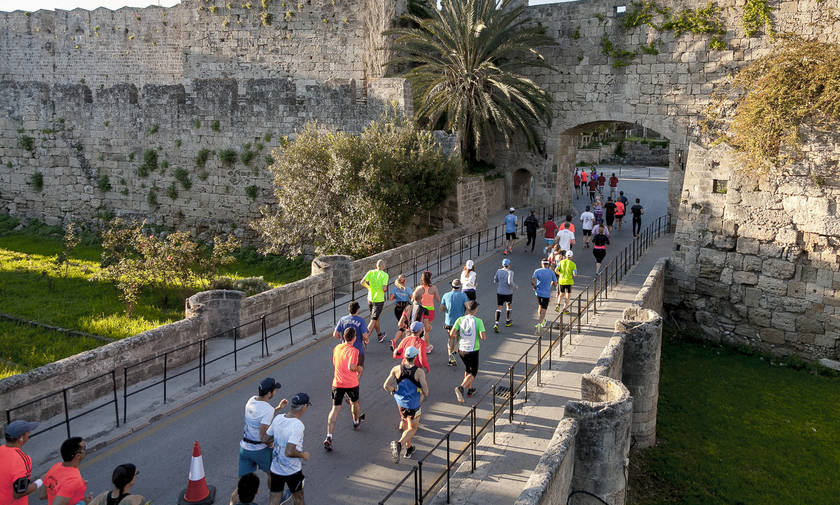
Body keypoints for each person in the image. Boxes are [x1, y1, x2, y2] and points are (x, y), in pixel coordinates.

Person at [236, 378, 288, 500]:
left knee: (242, 485)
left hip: (244, 448)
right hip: (259, 450)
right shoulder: (267, 410)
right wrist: (275, 442)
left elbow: (259, 418)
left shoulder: (251, 400)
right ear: (269, 393)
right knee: (273, 474)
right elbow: (263, 438)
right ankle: (277, 499)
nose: (276, 392)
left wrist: (278, 408)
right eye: (275, 390)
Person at [384, 346, 429, 463]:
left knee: (405, 423)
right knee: (413, 428)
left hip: (400, 403)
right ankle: (398, 445)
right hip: (413, 404)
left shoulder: (396, 369)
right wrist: (422, 397)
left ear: (405, 356)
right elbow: (426, 391)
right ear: (415, 358)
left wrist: (394, 391)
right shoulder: (419, 372)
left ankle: (408, 448)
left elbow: (386, 385)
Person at [265, 393, 311, 505]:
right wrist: (303, 455)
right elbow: (289, 452)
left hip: (276, 468)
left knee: (274, 500)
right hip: (292, 471)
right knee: (299, 499)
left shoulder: (278, 418)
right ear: (304, 406)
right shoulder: (297, 425)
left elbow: (266, 439)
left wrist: (277, 444)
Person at [323, 328, 362, 451]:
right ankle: (356, 421)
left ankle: (329, 436)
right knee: (354, 403)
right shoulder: (354, 351)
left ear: (344, 337)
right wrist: (358, 369)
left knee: (334, 409)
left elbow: (335, 363)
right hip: (351, 383)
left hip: (337, 383)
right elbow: (351, 367)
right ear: (354, 338)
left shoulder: (337, 348)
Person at [449, 301, 486, 403]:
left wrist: (462, 336)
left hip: (461, 350)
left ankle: (470, 389)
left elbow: (452, 334)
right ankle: (461, 388)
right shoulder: (478, 321)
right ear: (475, 310)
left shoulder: (460, 319)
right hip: (472, 350)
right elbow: (483, 337)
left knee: (468, 369)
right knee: (473, 372)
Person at [0, 420, 43, 505]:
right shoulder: (22, 460)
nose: (29, 434)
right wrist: (41, 481)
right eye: (27, 433)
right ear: (21, 438)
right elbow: (19, 493)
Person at [42, 437, 91, 505]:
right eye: (84, 448)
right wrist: (83, 503)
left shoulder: (56, 466)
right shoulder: (74, 480)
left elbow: (42, 495)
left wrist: (75, 491)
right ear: (78, 456)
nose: (86, 450)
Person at [333, 301, 369, 379]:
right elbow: (365, 335)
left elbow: (335, 334)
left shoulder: (342, 319)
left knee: (346, 369)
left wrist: (341, 338)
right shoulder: (361, 321)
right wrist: (366, 340)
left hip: (345, 350)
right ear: (358, 310)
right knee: (359, 370)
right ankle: (354, 384)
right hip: (358, 350)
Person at [439, 279, 468, 367]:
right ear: (460, 287)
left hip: (449, 322)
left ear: (451, 286)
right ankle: (454, 352)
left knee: (451, 338)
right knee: (460, 339)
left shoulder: (445, 295)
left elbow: (441, 308)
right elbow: (467, 306)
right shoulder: (463, 295)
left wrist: (448, 310)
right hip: (460, 321)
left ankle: (450, 357)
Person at [411, 270, 440, 352]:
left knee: (420, 328)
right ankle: (426, 347)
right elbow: (438, 299)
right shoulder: (434, 288)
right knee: (426, 330)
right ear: (430, 278)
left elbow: (412, 298)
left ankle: (418, 344)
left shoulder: (418, 288)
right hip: (430, 310)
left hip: (420, 310)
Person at [361, 259, 389, 343]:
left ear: (376, 266)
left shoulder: (370, 272)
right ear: (383, 267)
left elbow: (362, 282)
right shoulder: (385, 275)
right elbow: (384, 288)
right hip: (379, 300)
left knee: (376, 318)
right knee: (373, 319)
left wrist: (369, 288)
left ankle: (380, 335)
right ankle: (364, 340)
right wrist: (385, 289)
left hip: (370, 298)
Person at [531, 259, 557, 329]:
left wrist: (534, 286)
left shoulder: (537, 271)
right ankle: (540, 323)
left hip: (538, 292)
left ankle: (542, 321)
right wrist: (555, 288)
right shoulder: (551, 272)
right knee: (544, 309)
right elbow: (555, 283)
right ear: (548, 264)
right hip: (546, 293)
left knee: (540, 306)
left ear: (542, 264)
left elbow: (533, 280)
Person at [492, 258, 516, 332]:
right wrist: (514, 286)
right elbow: (510, 282)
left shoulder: (499, 271)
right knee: (509, 305)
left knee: (499, 307)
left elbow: (495, 280)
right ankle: (508, 321)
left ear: (502, 265)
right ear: (509, 265)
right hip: (508, 292)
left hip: (500, 292)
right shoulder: (510, 272)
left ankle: (496, 323)